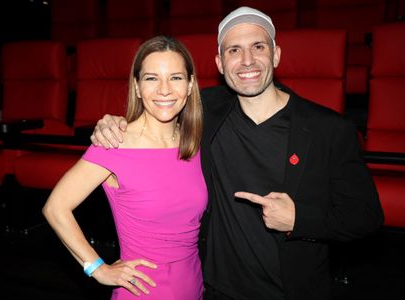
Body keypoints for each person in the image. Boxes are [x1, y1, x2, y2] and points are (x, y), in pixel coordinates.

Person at [90, 6, 384, 300]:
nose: (246, 61)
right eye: (234, 50)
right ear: (220, 62)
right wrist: (114, 123)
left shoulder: (327, 129)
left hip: (290, 291)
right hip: (215, 290)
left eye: (258, 46)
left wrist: (299, 220)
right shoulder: (205, 110)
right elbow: (159, 104)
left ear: (276, 54)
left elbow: (366, 216)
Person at [43, 35, 207, 299]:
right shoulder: (114, 143)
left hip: (193, 286)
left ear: (189, 85)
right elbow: (55, 207)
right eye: (152, 78)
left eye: (175, 78)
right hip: (142, 290)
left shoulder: (195, 143)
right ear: (138, 87)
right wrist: (97, 268)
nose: (164, 89)